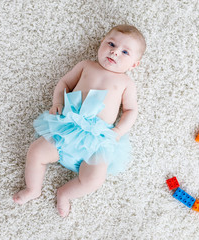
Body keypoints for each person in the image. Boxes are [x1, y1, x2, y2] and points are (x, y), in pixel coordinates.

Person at [13, 24, 146, 217]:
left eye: (125, 52)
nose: (115, 52)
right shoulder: (86, 65)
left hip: (96, 141)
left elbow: (131, 110)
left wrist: (118, 131)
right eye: (111, 44)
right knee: (35, 151)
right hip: (67, 126)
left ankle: (65, 193)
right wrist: (57, 101)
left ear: (134, 64)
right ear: (101, 43)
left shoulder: (126, 83)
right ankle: (33, 189)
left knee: (95, 179)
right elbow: (64, 83)